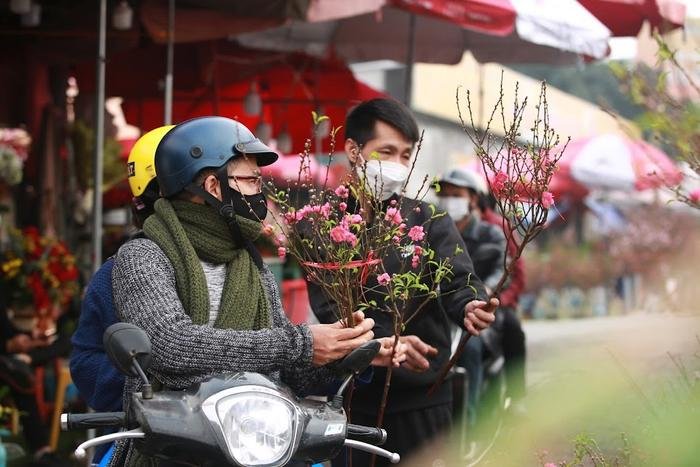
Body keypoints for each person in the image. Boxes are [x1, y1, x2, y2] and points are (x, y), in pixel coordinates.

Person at [109, 116, 393, 466]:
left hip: (258, 449)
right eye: (250, 180)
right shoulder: (142, 255)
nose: (260, 191)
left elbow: (286, 373)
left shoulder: (250, 262)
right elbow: (168, 346)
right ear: (213, 185)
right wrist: (302, 344)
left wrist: (341, 355)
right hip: (170, 452)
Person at [307, 98, 498, 465]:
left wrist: (471, 306)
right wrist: (380, 343)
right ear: (353, 150)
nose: (397, 165)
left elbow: (459, 281)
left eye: (406, 155)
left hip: (422, 393)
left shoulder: (428, 219)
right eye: (386, 152)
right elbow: (331, 306)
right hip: (353, 396)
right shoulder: (323, 224)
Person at [69, 125, 173, 464]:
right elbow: (85, 362)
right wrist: (143, 383)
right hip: (138, 438)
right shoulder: (116, 272)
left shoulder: (245, 265)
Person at [436, 167, 507, 431]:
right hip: (438, 311)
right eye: (445, 194)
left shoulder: (491, 234)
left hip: (476, 312)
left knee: (471, 347)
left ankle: (470, 425)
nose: (449, 200)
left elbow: (502, 271)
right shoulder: (434, 230)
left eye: (456, 194)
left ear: (473, 199)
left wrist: (484, 293)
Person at [0, 298, 71, 466]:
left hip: (12, 354)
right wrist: (8, 346)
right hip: (6, 357)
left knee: (65, 342)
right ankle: (42, 450)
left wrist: (29, 337)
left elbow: (6, 328)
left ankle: (27, 358)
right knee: (19, 375)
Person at [478, 189, 528, 409]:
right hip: (461, 301)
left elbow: (517, 273)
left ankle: (516, 396)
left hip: (496, 301)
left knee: (513, 331)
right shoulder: (445, 224)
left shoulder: (499, 226)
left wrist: (503, 300)